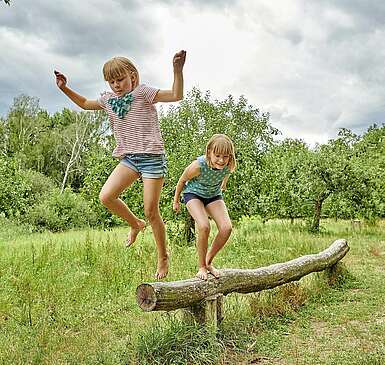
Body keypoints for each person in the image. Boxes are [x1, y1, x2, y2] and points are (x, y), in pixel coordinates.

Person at [54, 50, 186, 279]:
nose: (116, 85)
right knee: (106, 196)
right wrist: (64, 87)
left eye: (120, 79)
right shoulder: (108, 100)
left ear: (132, 76)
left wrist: (177, 70)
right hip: (129, 159)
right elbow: (85, 103)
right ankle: (135, 224)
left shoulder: (143, 93)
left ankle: (163, 257)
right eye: (111, 81)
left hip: (151, 158)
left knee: (151, 211)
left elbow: (176, 95)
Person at [173, 134, 236, 280]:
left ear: (230, 157)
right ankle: (201, 266)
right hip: (193, 194)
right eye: (217, 155)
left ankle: (208, 262)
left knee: (226, 228)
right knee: (204, 226)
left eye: (225, 156)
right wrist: (176, 201)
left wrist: (223, 184)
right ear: (209, 152)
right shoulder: (198, 166)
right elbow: (182, 181)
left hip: (213, 195)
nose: (221, 160)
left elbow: (225, 174)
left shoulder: (228, 166)